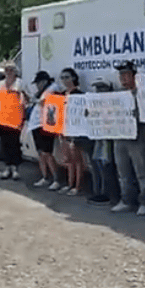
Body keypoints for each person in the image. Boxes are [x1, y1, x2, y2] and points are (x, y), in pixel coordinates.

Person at [111, 60, 145, 216]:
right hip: (119, 137)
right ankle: (127, 200)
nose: (123, 78)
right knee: (122, 171)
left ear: (134, 76)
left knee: (141, 171)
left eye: (126, 74)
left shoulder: (141, 94)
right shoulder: (117, 94)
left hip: (136, 137)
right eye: (121, 75)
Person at [55, 68, 88, 196]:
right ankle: (70, 184)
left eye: (67, 77)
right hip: (63, 130)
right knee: (68, 160)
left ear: (73, 78)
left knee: (77, 160)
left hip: (76, 131)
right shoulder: (61, 95)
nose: (64, 80)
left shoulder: (79, 94)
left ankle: (77, 186)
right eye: (62, 77)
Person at [28, 70, 62, 190]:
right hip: (36, 124)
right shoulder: (40, 92)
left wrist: (36, 101)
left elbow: (45, 102)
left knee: (47, 153)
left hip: (46, 124)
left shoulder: (53, 88)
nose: (37, 85)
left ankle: (56, 179)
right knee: (41, 153)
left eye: (39, 82)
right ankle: (45, 177)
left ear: (45, 81)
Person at [87, 76, 119, 205]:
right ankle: (99, 192)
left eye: (102, 87)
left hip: (108, 138)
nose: (99, 90)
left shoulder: (115, 101)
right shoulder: (94, 103)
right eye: (97, 88)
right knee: (97, 163)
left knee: (107, 165)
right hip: (98, 137)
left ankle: (108, 194)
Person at [0, 62, 26, 180]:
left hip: (15, 117)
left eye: (11, 70)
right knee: (4, 143)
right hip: (2, 117)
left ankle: (15, 169)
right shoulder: (0, 84)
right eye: (7, 70)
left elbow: (25, 98)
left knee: (15, 143)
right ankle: (7, 167)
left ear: (15, 72)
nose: (9, 72)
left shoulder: (20, 83)